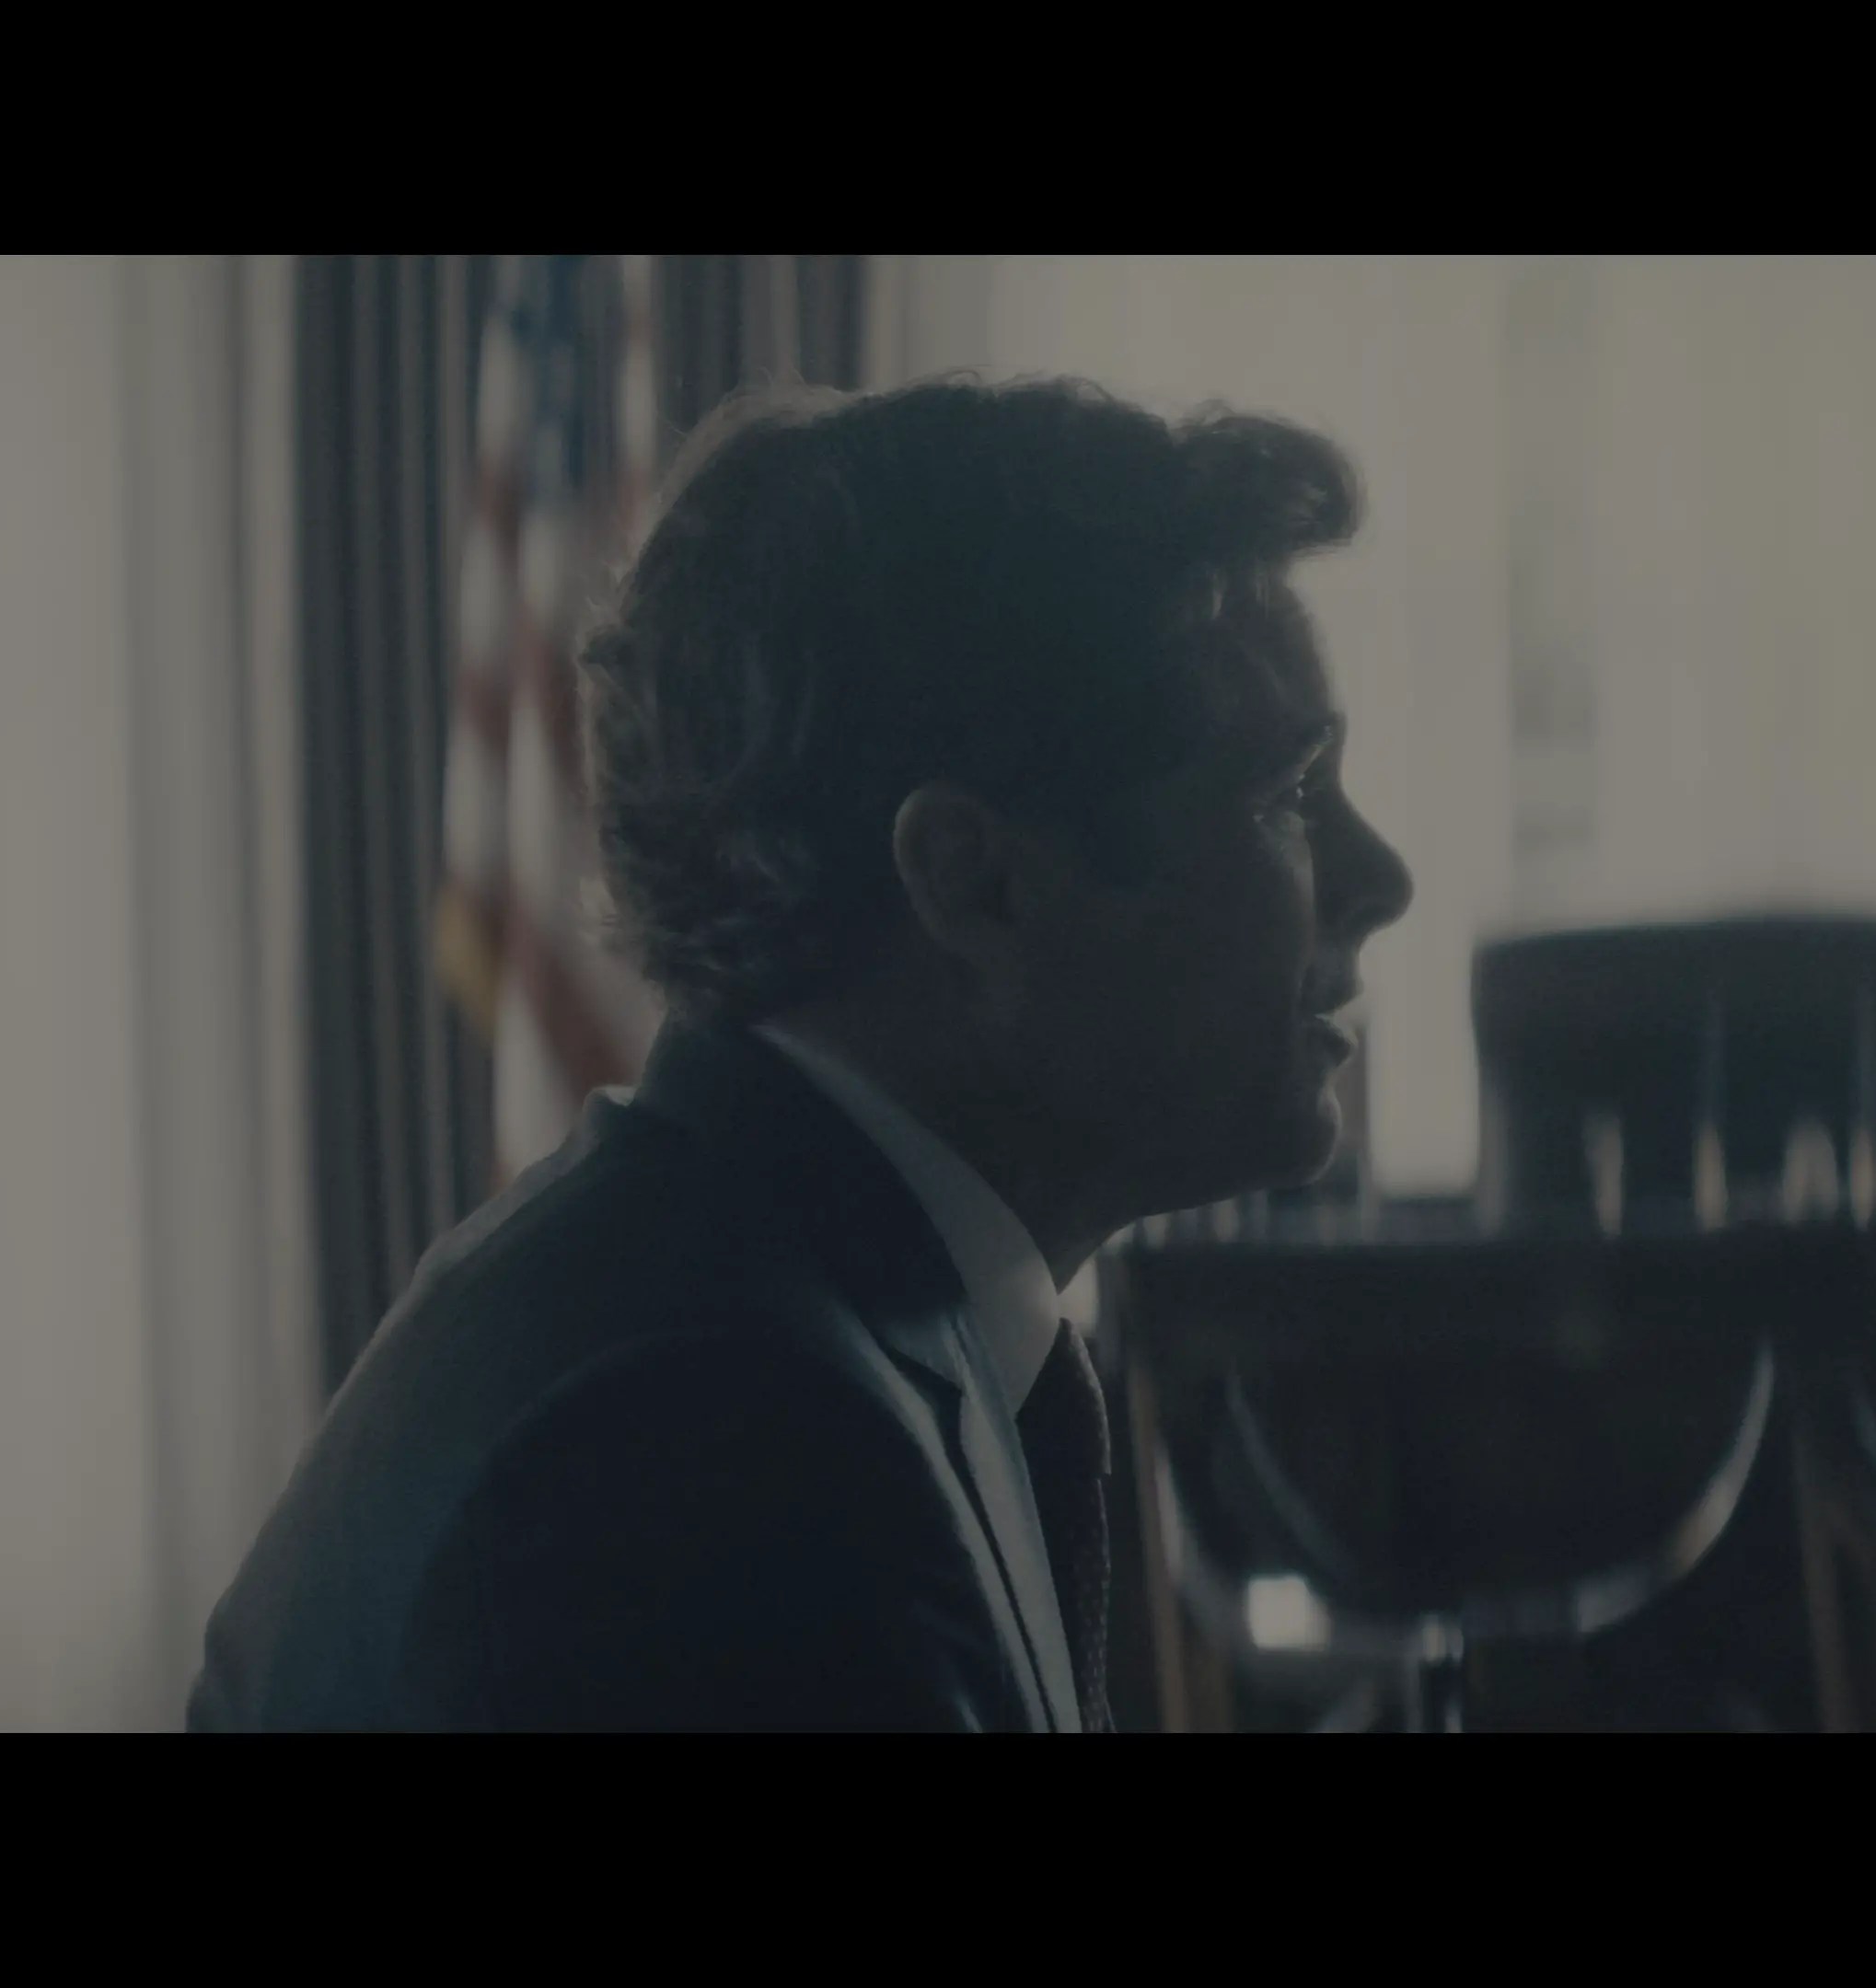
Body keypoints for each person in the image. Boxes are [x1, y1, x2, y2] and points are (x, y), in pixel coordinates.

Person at [188, 375, 1414, 1731]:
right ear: (975, 884)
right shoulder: (710, 1445)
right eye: (1287, 795)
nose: (1383, 878)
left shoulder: (781, 1314)